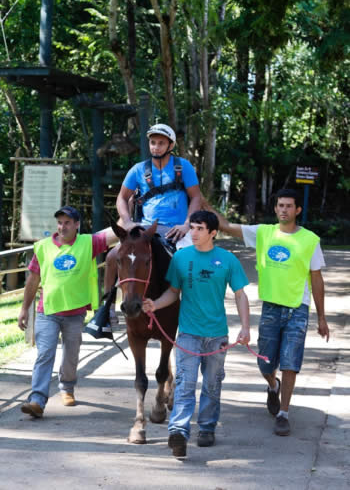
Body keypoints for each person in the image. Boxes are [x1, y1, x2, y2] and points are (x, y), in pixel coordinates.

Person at [221, 188, 330, 436]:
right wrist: (197, 199)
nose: (284, 209)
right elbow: (226, 226)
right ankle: (273, 385)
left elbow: (316, 279)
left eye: (289, 206)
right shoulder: (263, 232)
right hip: (270, 307)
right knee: (266, 364)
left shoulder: (310, 240)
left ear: (297, 210)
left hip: (297, 309)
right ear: (275, 208)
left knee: (291, 361)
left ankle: (283, 413)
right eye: (280, 205)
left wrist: (322, 318)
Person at [142, 210, 250, 458]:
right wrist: (155, 304)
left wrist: (245, 327)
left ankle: (207, 427)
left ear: (213, 232)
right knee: (184, 384)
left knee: (212, 386)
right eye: (192, 228)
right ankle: (178, 431)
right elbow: (173, 292)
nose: (194, 233)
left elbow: (240, 295)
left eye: (200, 228)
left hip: (217, 336)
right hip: (188, 334)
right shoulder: (181, 258)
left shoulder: (227, 260)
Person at [18, 205, 119, 418]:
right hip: (48, 310)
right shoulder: (43, 247)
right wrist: (24, 309)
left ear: (76, 225)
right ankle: (37, 399)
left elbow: (115, 232)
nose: (62, 227)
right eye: (60, 222)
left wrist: (130, 212)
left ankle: (67, 387)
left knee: (71, 355)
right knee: (45, 353)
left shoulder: (87, 243)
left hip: (75, 313)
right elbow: (33, 280)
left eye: (67, 223)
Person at [104, 123, 201, 313]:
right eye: (153, 142)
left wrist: (187, 224)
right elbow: (122, 198)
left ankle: (193, 311)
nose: (156, 147)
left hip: (176, 229)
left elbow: (196, 197)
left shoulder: (184, 167)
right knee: (112, 256)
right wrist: (128, 221)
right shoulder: (138, 169)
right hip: (145, 228)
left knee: (192, 263)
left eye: (161, 143)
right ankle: (106, 309)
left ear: (170, 145)